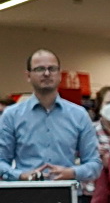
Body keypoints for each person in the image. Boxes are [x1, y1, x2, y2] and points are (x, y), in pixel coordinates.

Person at [0, 50, 101, 185]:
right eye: (39, 69)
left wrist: (71, 173)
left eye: (52, 69)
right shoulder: (11, 115)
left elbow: (94, 164)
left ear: (59, 74)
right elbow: (1, 162)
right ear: (28, 75)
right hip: (24, 196)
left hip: (66, 196)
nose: (46, 73)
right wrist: (22, 176)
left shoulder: (79, 115)